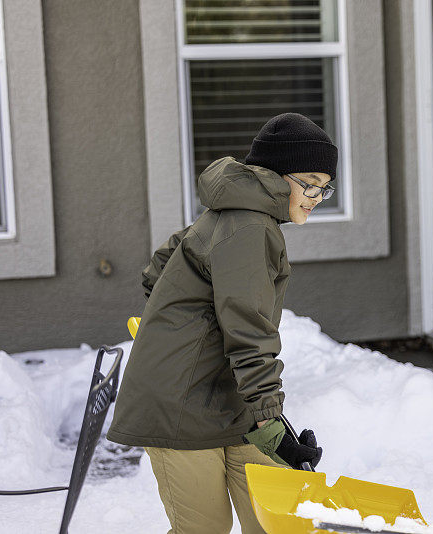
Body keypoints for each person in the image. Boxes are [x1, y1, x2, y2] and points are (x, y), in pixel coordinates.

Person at [107, 112, 337, 534]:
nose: (315, 196)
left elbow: (158, 270)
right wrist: (271, 423)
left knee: (275, 518)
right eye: (308, 182)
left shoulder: (230, 212)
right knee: (206, 528)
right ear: (276, 173)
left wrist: (180, 326)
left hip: (227, 398)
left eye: (324, 187)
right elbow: (250, 333)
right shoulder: (248, 227)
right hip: (181, 406)